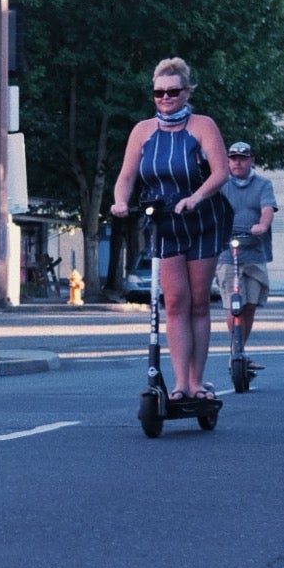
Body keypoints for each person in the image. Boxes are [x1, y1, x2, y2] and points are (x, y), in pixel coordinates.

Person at [111, 58, 232, 402]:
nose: (165, 98)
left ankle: (196, 380)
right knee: (175, 301)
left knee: (197, 302)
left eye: (173, 92)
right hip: (164, 220)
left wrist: (196, 198)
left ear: (186, 91)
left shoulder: (202, 126)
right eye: (159, 93)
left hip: (201, 217)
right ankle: (180, 383)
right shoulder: (143, 131)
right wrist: (120, 201)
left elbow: (220, 172)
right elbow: (126, 177)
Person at [218, 141, 276, 361]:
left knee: (250, 305)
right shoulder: (221, 184)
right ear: (228, 161)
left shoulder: (263, 184)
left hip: (254, 251)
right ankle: (235, 349)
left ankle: (240, 348)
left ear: (251, 160)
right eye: (233, 158)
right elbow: (212, 209)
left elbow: (268, 209)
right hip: (227, 252)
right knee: (234, 304)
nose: (238, 162)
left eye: (243, 158)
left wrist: (262, 225)